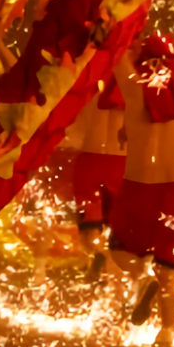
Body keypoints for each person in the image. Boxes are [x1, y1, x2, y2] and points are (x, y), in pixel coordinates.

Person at [108, 33, 174, 347]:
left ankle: (143, 280)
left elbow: (114, 58)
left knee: (122, 256)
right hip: (171, 190)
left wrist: (118, 29)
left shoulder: (134, 91)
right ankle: (168, 336)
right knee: (168, 269)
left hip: (136, 187)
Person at [69, 76, 125, 281]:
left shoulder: (88, 84)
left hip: (89, 159)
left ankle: (98, 253)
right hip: (121, 162)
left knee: (88, 229)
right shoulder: (135, 86)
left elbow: (71, 125)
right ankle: (111, 262)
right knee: (119, 230)